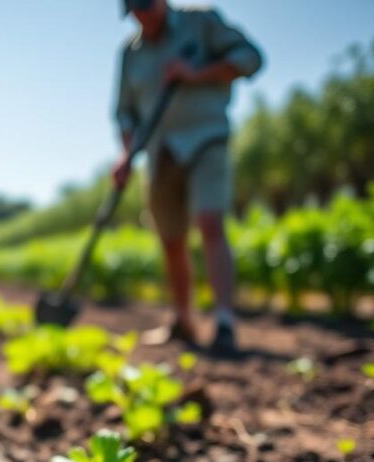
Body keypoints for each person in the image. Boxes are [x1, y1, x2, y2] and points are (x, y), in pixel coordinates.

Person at [112, 0, 263, 353]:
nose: (143, 16)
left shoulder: (202, 22)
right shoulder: (130, 53)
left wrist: (196, 73)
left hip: (205, 138)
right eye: (134, 11)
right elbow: (124, 114)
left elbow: (251, 59)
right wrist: (126, 154)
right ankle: (183, 321)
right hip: (159, 151)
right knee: (171, 237)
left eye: (146, 7)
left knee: (210, 222)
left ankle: (224, 322)